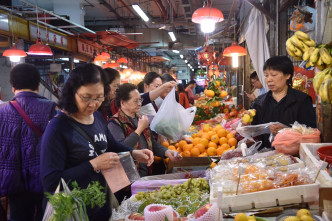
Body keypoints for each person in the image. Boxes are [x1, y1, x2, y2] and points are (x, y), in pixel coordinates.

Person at [40, 64, 154, 220]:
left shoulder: (97, 118)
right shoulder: (58, 128)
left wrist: (134, 153)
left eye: (99, 97)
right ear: (72, 93)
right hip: (74, 212)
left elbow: (111, 145)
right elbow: (51, 182)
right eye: (86, 97)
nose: (93, 104)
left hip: (101, 205)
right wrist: (93, 165)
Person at [0, 63, 57, 221]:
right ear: (38, 86)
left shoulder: (1, 111)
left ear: (13, 87)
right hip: (44, 179)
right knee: (45, 216)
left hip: (13, 181)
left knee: (18, 216)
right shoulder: (51, 109)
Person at [108, 83, 182, 177]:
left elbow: (152, 143)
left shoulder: (140, 118)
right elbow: (121, 149)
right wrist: (139, 130)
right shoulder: (115, 123)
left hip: (145, 171)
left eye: (140, 100)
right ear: (123, 103)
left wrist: (167, 152)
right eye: (135, 101)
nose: (139, 104)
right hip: (128, 177)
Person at [251, 56, 316, 148]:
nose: (269, 79)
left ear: (287, 75)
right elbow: (254, 131)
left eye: (273, 75)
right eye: (266, 75)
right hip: (266, 156)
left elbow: (311, 133)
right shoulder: (259, 102)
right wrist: (245, 123)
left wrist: (287, 131)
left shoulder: (302, 100)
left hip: (294, 155)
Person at [99, 69, 176, 122]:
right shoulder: (99, 109)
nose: (117, 89)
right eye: (115, 85)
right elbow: (146, 98)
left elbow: (145, 98)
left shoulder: (111, 103)